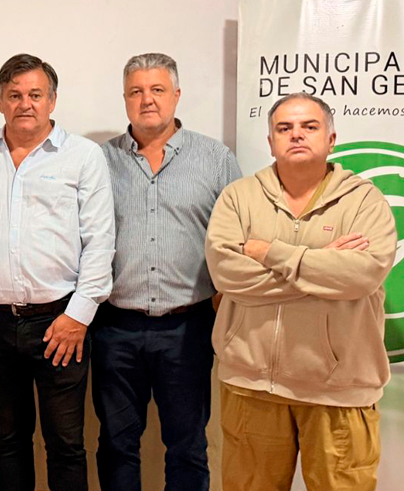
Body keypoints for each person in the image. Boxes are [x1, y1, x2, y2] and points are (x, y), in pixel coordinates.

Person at [205, 92, 395, 491]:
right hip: (252, 386)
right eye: (284, 128)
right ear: (271, 140)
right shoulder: (239, 198)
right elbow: (226, 274)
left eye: (309, 126)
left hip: (339, 391)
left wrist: (270, 253)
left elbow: (363, 275)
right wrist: (322, 268)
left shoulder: (365, 201)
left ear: (331, 139)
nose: (296, 134)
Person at [0, 53, 114, 491]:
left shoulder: (82, 156)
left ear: (52, 100)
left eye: (35, 94)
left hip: (60, 322)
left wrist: (78, 317)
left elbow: (100, 241)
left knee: (65, 443)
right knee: (9, 439)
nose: (24, 104)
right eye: (14, 95)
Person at [93, 53, 241, 491]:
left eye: (157, 90)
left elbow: (237, 235)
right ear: (124, 98)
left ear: (176, 95)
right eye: (136, 91)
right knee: (116, 443)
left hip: (188, 328)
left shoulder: (215, 158)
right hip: (115, 328)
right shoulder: (98, 161)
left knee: (188, 444)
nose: (147, 100)